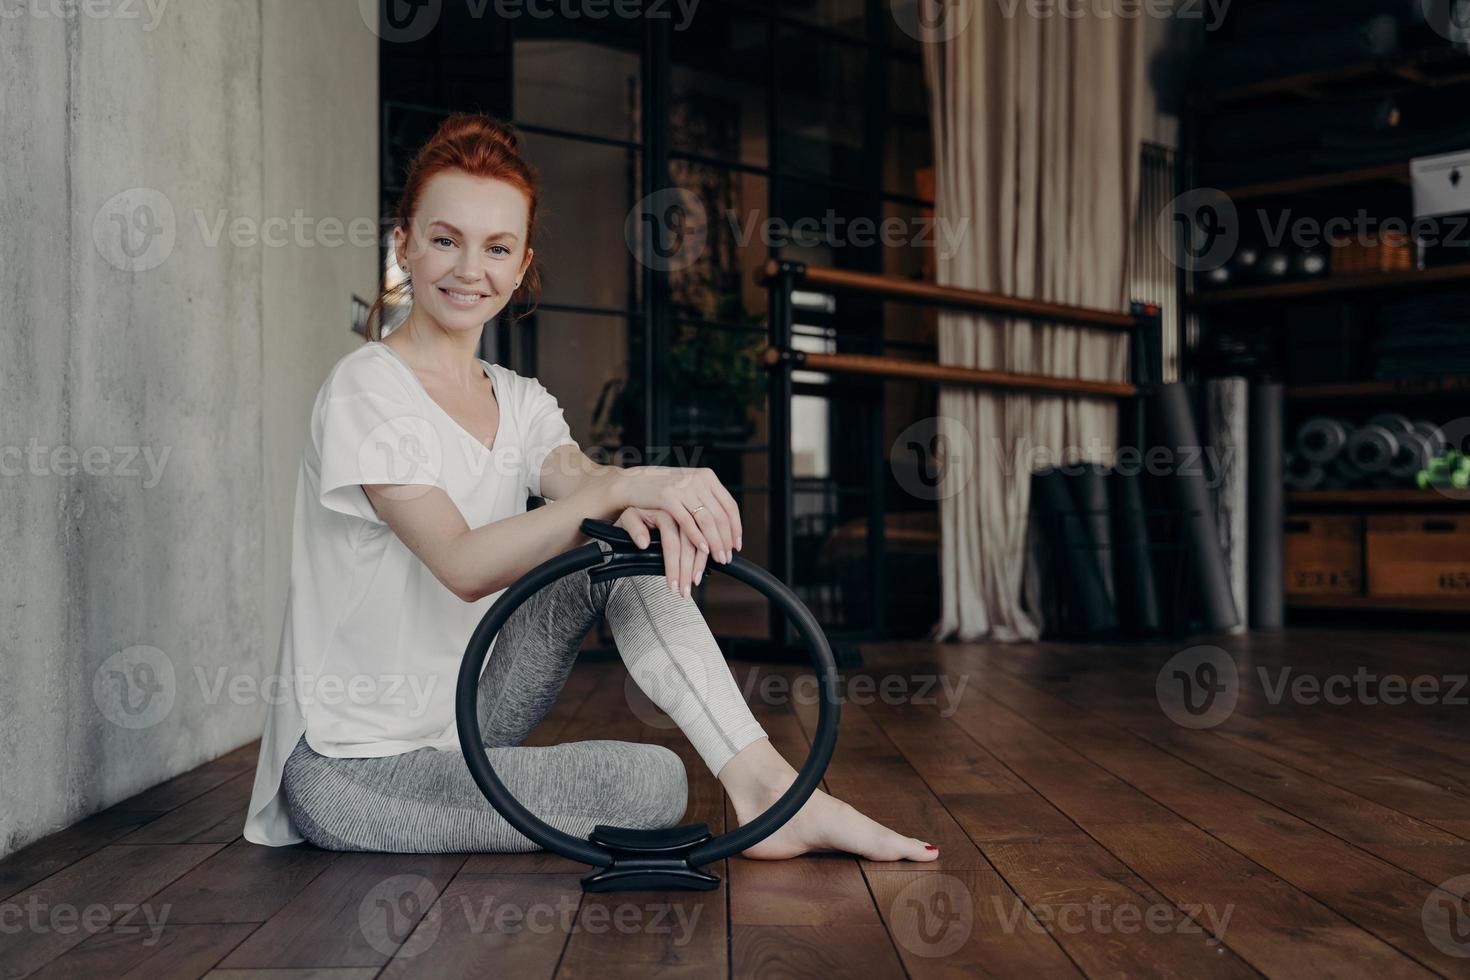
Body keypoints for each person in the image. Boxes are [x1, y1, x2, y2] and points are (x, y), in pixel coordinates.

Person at [242, 112, 938, 863]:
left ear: (521, 264)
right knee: (650, 786)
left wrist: (641, 492)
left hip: (471, 714)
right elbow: (463, 564)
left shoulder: (519, 398)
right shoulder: (365, 388)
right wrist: (626, 486)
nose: (470, 269)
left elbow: (582, 480)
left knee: (626, 532)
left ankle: (767, 784)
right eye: (446, 240)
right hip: (356, 764)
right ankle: (766, 797)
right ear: (405, 243)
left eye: (497, 248)